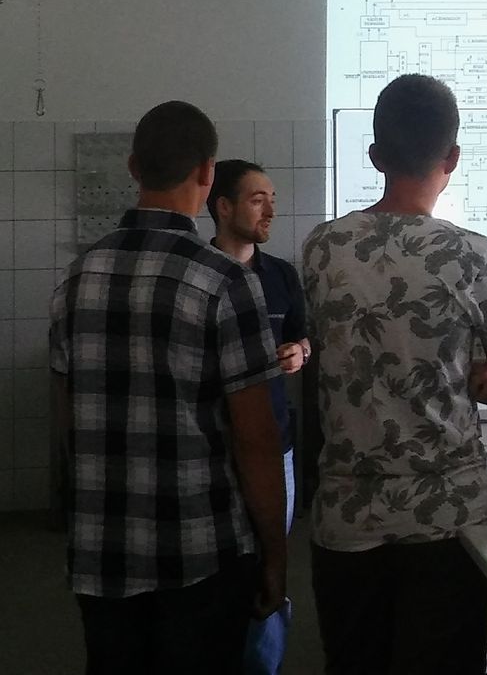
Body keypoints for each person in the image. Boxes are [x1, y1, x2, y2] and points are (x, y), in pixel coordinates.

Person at [300, 73, 487, 675]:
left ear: (375, 155)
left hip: (348, 511)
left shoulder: (322, 248)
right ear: (451, 157)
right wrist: (476, 373)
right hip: (447, 515)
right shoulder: (474, 253)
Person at [47, 101, 287, 675]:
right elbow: (256, 439)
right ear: (208, 173)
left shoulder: (77, 276)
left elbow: (66, 416)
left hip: (102, 548)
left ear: (134, 167)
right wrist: (276, 555)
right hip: (202, 550)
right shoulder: (226, 281)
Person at [205, 159, 311, 675]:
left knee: (271, 553)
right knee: (220, 563)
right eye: (256, 199)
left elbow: (303, 337)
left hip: (275, 440)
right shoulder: (200, 274)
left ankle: (263, 662)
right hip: (213, 445)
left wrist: (300, 352)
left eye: (272, 198)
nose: (270, 210)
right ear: (223, 207)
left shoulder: (282, 275)